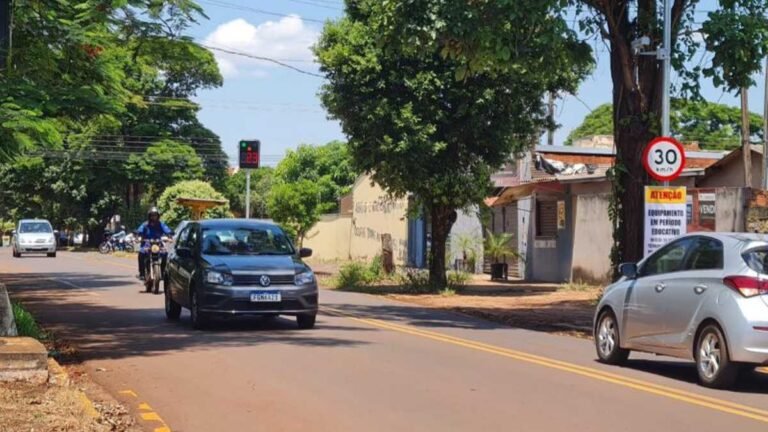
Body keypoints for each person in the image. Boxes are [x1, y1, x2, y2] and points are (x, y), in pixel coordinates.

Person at [136, 207, 172, 280]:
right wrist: (138, 237)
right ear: (149, 216)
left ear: (158, 216)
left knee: (165, 254)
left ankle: (162, 272)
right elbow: (139, 231)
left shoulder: (161, 224)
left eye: (155, 215)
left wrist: (170, 237)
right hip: (147, 244)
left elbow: (168, 231)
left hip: (158, 243)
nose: (154, 217)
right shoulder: (145, 224)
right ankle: (142, 273)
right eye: (152, 215)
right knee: (141, 254)